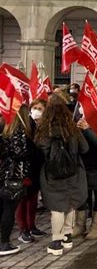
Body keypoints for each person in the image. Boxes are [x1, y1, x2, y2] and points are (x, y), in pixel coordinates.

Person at [35, 96, 89, 256]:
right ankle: (67, 236)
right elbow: (85, 149)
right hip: (74, 172)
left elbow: (39, 152)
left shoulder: (44, 129)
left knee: (56, 207)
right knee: (70, 204)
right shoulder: (72, 128)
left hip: (52, 174)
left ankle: (56, 241)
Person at [0, 106, 33, 255]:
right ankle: (4, 243)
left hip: (3, 173)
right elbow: (19, 153)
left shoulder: (3, 128)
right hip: (13, 174)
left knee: (3, 207)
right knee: (9, 209)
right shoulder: (17, 130)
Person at [15, 99, 48, 244]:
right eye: (34, 108)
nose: (37, 111)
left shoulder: (42, 125)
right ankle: (24, 229)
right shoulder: (24, 125)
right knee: (22, 199)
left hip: (36, 168)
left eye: (40, 108)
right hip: (24, 169)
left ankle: (31, 225)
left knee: (32, 199)